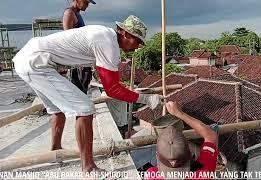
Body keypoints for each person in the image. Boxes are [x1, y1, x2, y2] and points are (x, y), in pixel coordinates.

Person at [13, 15, 162, 172]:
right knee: (85, 108)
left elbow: (112, 81)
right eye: (137, 41)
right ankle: (88, 167)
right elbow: (112, 89)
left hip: (29, 58)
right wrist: (146, 99)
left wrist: (130, 91)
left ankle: (55, 150)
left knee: (57, 109)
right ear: (125, 34)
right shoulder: (108, 43)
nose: (138, 46)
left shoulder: (104, 35)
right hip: (37, 63)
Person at [48, 0, 95, 152]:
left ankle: (60, 146)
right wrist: (78, 63)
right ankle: (77, 148)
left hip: (82, 65)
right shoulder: (69, 14)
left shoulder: (77, 15)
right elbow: (68, 42)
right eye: (85, 1)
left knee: (79, 104)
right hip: (77, 67)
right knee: (81, 107)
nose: (87, 4)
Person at [146, 101, 219, 180]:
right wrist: (179, 113)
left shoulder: (151, 174)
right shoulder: (203, 173)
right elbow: (211, 136)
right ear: (189, 153)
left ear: (157, 156)